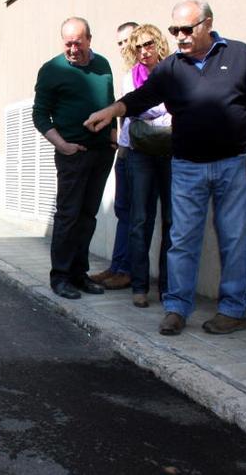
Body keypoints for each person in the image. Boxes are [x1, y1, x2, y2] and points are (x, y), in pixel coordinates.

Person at [85, 0, 246, 336]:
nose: (180, 36)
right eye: (175, 30)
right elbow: (142, 97)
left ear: (208, 23)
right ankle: (176, 308)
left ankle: (232, 310)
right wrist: (111, 112)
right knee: (182, 239)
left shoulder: (240, 54)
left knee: (235, 238)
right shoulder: (171, 67)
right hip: (187, 166)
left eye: (187, 29)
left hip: (234, 163)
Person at [33, 16, 117, 300]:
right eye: (67, 43)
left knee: (88, 216)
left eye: (77, 43)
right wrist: (63, 145)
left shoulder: (103, 65)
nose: (72, 49)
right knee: (68, 216)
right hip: (72, 155)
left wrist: (114, 136)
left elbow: (110, 103)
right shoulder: (52, 70)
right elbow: (40, 115)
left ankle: (80, 275)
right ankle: (61, 277)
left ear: (89, 40)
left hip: (102, 154)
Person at [120, 24, 173, 309]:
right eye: (137, 47)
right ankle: (140, 286)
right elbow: (135, 106)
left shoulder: (173, 71)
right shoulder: (130, 77)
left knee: (172, 221)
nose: (144, 51)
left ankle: (167, 287)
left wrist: (152, 106)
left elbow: (173, 104)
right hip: (140, 152)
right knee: (140, 220)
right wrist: (164, 106)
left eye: (148, 44)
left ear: (159, 44)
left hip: (171, 151)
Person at [90, 21, 138, 291]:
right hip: (125, 148)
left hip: (145, 152)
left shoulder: (148, 73)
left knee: (136, 214)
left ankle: (129, 270)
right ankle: (118, 265)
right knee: (123, 210)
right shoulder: (127, 74)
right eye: (119, 43)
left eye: (128, 40)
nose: (124, 47)